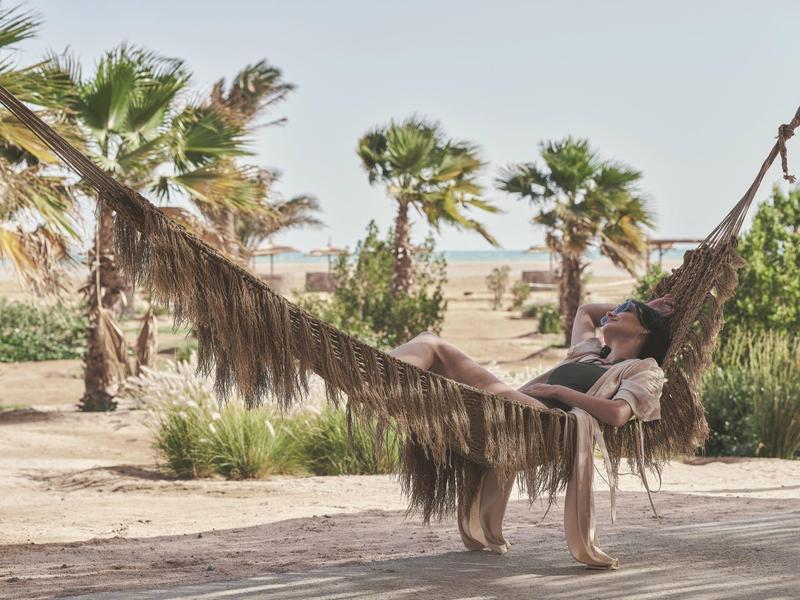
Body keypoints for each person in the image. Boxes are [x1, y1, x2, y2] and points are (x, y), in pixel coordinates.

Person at [388, 294, 675, 568]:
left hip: (542, 422)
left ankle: (376, 380)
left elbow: (618, 414)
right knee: (429, 346)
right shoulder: (587, 355)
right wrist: (644, 308)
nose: (612, 312)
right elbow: (586, 311)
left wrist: (556, 390)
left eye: (625, 310)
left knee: (432, 345)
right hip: (520, 410)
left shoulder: (642, 369)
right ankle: (380, 378)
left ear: (643, 332)